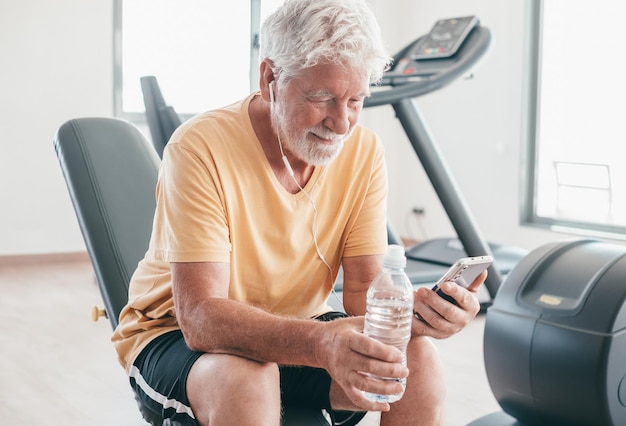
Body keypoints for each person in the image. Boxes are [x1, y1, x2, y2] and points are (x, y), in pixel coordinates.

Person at [112, 0, 484, 425]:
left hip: (300, 327)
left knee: (418, 359)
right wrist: (322, 342)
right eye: (322, 97)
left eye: (355, 100)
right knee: (246, 376)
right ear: (270, 77)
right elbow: (201, 318)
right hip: (177, 336)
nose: (342, 123)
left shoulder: (363, 152)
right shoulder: (200, 148)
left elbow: (363, 289)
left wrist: (415, 316)